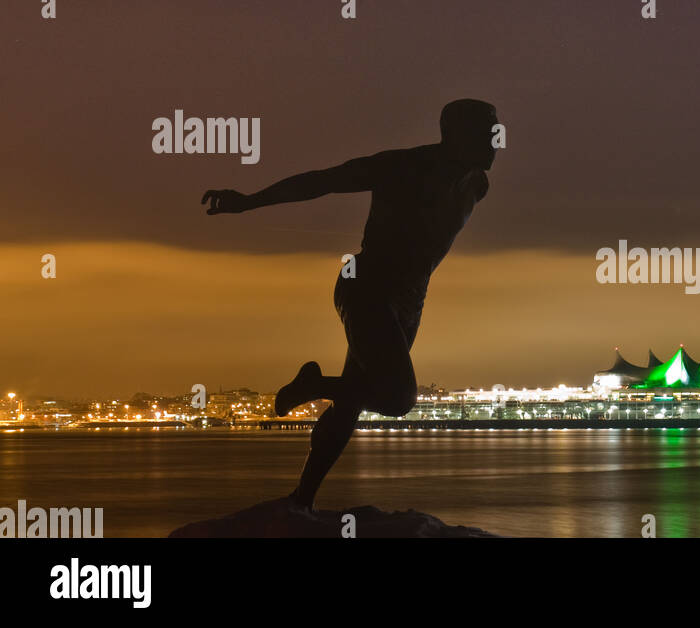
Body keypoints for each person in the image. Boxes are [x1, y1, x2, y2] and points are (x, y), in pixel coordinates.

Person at [202, 99, 499, 510]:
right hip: (366, 284)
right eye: (484, 133)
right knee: (397, 398)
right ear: (452, 136)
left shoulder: (477, 185)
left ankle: (301, 500)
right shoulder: (402, 166)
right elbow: (323, 181)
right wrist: (249, 201)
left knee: (353, 401)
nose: (494, 142)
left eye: (495, 132)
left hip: (410, 299)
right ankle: (312, 386)